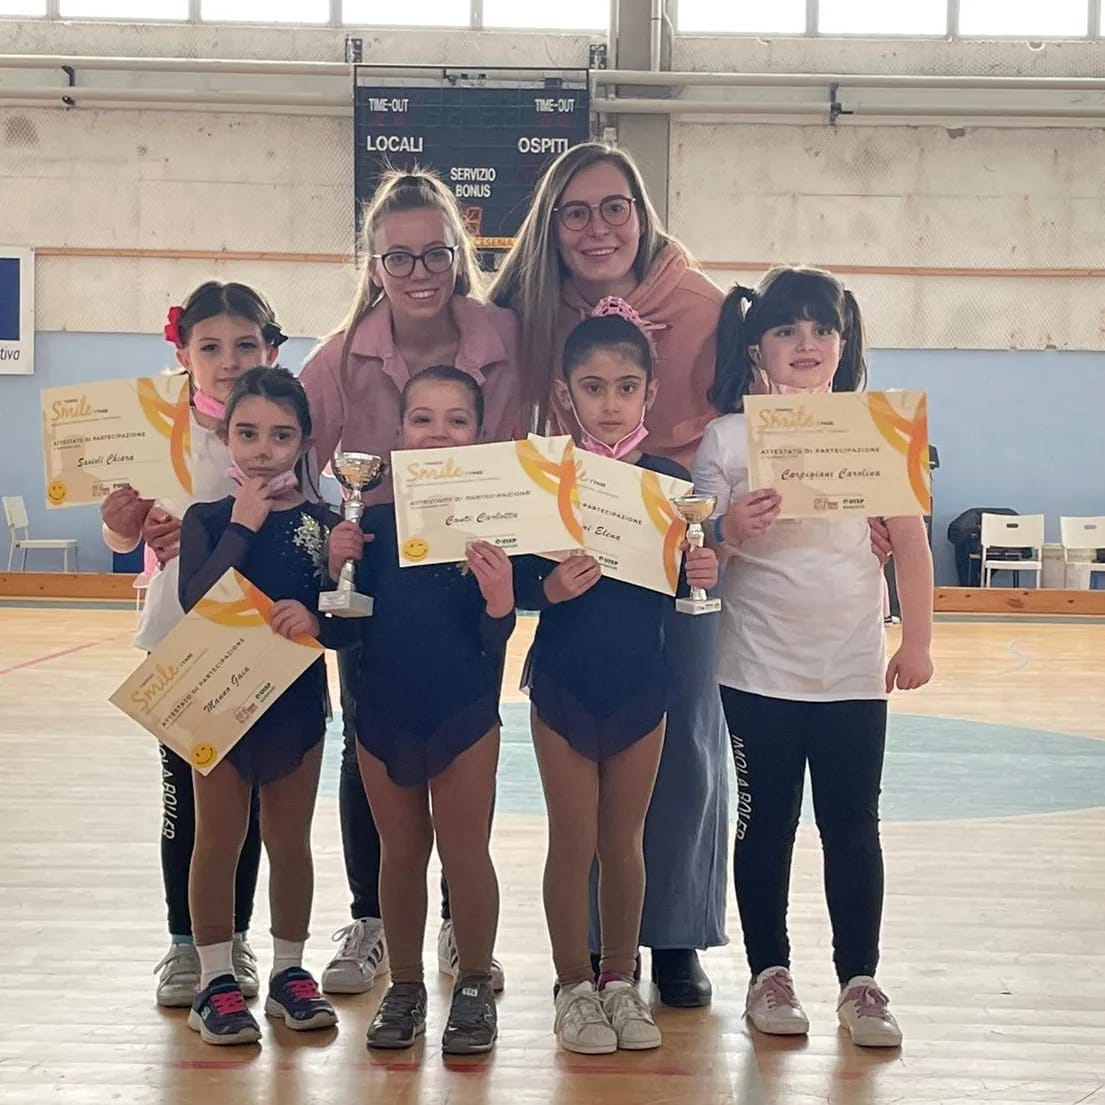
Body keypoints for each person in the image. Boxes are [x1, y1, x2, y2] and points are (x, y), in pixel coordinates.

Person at [491, 142, 727, 1006]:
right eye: (577, 211)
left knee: (683, 760)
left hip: (672, 560)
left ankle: (672, 937)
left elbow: (778, 404)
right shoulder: (520, 310)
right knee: (579, 817)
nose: (598, 227)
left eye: (614, 207)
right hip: (573, 613)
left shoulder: (704, 307)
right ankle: (586, 956)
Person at [693, 266, 934, 1048]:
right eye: (786, 329)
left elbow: (909, 541)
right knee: (763, 826)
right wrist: (731, 529)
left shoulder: (878, 428)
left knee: (852, 825)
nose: (806, 343)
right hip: (754, 668)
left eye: (821, 329)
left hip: (852, 668)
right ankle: (768, 972)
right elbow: (698, 554)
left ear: (844, 340)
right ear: (755, 346)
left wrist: (917, 639)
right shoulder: (726, 438)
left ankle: (860, 981)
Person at [300, 169, 519, 996]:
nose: (419, 272)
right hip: (379, 583)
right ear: (374, 264)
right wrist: (328, 547)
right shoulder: (339, 355)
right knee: (369, 743)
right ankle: (371, 919)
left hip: (471, 577)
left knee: (469, 739)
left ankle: (464, 925)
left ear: (459, 254)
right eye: (399, 257)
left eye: (435, 253)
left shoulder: (506, 338)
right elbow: (289, 456)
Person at [515, 303, 719, 1053]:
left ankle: (620, 979)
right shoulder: (547, 479)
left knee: (625, 841)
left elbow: (677, 586)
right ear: (565, 393)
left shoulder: (670, 485)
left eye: (626, 388)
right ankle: (573, 984)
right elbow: (517, 580)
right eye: (593, 387)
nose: (610, 403)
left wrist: (699, 569)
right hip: (563, 684)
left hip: (642, 685)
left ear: (650, 393)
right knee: (572, 842)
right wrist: (548, 587)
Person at [99, 281, 285, 1006]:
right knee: (185, 796)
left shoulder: (282, 427)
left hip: (258, 636)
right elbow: (120, 535)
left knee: (249, 804)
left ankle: (233, 937)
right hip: (178, 637)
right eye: (210, 347)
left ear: (270, 351)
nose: (228, 360)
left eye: (244, 345)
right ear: (183, 354)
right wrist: (123, 524)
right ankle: (184, 941)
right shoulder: (154, 428)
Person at [326, 366, 515, 1055]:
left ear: (478, 434)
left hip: (464, 713)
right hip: (382, 712)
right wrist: (335, 569)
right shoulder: (369, 526)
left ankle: (473, 983)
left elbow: (497, 635)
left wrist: (500, 598)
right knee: (400, 855)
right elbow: (342, 631)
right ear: (399, 434)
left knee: (465, 853)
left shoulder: (496, 527)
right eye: (422, 419)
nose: (438, 432)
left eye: (456, 420)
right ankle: (404, 985)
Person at [178, 366, 352, 1045]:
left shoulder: (324, 524)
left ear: (304, 443)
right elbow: (196, 600)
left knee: (289, 841)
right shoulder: (208, 519)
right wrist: (242, 527)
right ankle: (214, 979)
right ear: (226, 436)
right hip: (217, 701)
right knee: (218, 838)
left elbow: (346, 622)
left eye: (280, 436)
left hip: (295, 706)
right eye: (247, 433)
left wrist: (317, 614)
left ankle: (288, 970)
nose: (262, 449)